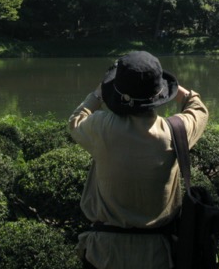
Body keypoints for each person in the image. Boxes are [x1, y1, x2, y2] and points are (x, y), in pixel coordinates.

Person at [68, 51, 209, 269]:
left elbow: (76, 119)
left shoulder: (101, 127)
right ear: (160, 93)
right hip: (158, 255)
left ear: (115, 91)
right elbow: (198, 109)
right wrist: (173, 87)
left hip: (104, 254)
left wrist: (98, 93)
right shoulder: (174, 131)